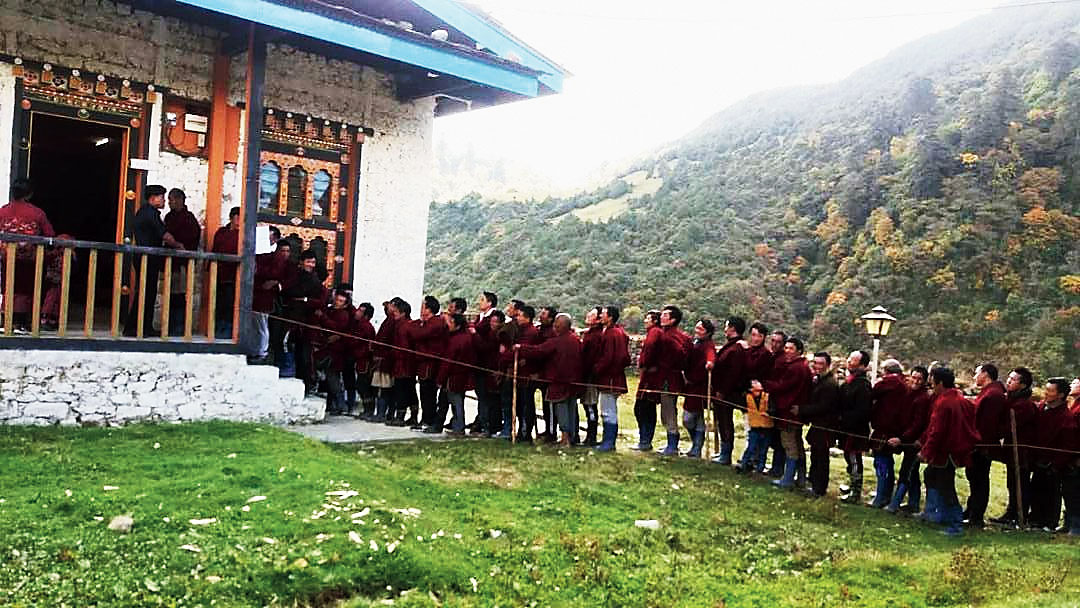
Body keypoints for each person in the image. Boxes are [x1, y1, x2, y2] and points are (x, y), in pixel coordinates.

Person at [918, 366, 980, 536]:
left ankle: (955, 523)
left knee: (946, 487)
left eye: (933, 382)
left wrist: (926, 451)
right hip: (954, 450)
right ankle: (935, 513)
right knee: (930, 475)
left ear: (940, 383)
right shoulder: (961, 399)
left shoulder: (945, 403)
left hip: (945, 453)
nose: (931, 386)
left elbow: (937, 431)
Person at [516, 313, 583, 447]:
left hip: (559, 381)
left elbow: (539, 350)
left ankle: (565, 439)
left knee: (561, 408)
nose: (554, 328)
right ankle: (572, 437)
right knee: (571, 408)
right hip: (574, 381)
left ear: (561, 326)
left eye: (556, 325)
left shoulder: (558, 341)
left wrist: (521, 348)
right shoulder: (576, 340)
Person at [0, 179, 56, 332]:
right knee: (25, 290)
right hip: (29, 259)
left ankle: (5, 322)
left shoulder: (3, 211)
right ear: (29, 194)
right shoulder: (37, 213)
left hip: (7, 257)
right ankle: (20, 323)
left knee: (8, 287)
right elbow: (50, 234)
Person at [124, 185, 179, 337]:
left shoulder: (145, 212)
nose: (164, 201)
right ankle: (137, 328)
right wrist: (178, 245)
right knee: (146, 292)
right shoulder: (150, 213)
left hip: (147, 258)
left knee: (146, 292)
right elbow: (165, 235)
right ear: (153, 198)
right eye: (162, 197)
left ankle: (140, 327)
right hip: (146, 258)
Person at [758, 337, 812, 488]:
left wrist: (764, 384)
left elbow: (783, 387)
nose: (787, 351)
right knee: (797, 444)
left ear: (799, 351)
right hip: (794, 412)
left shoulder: (796, 368)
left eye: (791, 349)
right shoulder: (802, 366)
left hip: (789, 412)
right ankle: (800, 478)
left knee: (789, 445)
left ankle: (788, 478)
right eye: (786, 348)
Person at [988, 367, 1038, 526]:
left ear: (1023, 385)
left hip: (1022, 451)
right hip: (1011, 449)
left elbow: (1008, 426)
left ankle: (1019, 515)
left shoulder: (1024, 405)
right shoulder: (1011, 400)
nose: (1009, 381)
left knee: (1019, 484)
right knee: (1011, 482)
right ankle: (1011, 512)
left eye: (1013, 379)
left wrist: (994, 431)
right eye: (1009, 378)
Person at [885, 366, 933, 514]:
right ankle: (913, 503)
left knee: (907, 471)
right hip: (905, 437)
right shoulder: (907, 393)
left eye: (920, 379)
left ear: (925, 381)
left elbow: (918, 424)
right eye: (914, 377)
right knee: (912, 472)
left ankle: (895, 503)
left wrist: (901, 438)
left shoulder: (923, 398)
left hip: (914, 441)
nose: (916, 381)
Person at [964, 363, 1007, 528]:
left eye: (977, 373)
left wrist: (978, 443)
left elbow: (987, 425)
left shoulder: (993, 395)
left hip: (982, 445)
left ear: (985, 374)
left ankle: (976, 516)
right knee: (974, 479)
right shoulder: (989, 392)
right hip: (979, 443)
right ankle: (971, 511)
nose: (974, 377)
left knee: (979, 480)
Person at [1028, 378, 1072, 531]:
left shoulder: (1066, 417)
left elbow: (1067, 444)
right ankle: (1035, 519)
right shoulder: (1041, 408)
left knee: (1051, 493)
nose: (1046, 393)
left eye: (1050, 391)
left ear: (1060, 395)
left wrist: (1056, 464)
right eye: (1046, 390)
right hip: (1037, 458)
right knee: (1035, 490)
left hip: (1053, 462)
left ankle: (1049, 522)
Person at [279, 250, 326, 392]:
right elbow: (287, 292)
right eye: (308, 262)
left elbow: (320, 302)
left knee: (305, 355)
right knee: (285, 344)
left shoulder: (316, 281)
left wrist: (305, 300)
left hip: (308, 323)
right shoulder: (295, 276)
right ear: (302, 262)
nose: (311, 265)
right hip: (292, 318)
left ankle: (307, 383)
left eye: (313, 262)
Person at [869, 359, 909, 508]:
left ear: (886, 371)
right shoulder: (904, 385)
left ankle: (880, 496)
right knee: (888, 462)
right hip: (897, 429)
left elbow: (873, 393)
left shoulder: (887, 383)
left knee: (881, 463)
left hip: (883, 427)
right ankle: (886, 494)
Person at [801, 352, 841, 497]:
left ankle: (819, 487)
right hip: (818, 424)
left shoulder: (829, 384)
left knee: (821, 457)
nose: (817, 366)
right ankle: (814, 483)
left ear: (827, 365)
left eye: (821, 364)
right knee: (815, 455)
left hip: (825, 425)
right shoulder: (819, 380)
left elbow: (824, 406)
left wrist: (802, 410)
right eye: (815, 363)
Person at [709, 316, 748, 465]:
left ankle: (726, 454)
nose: (725, 329)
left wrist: (722, 391)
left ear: (732, 328)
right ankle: (723, 452)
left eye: (726, 326)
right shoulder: (732, 345)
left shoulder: (737, 348)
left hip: (728, 393)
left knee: (725, 422)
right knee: (722, 421)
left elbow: (733, 373)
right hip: (723, 391)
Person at [163, 188, 201, 336]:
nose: (169, 203)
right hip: (170, 263)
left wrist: (177, 244)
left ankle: (178, 328)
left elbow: (191, 240)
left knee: (180, 295)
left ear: (179, 200)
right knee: (170, 295)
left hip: (182, 264)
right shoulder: (169, 217)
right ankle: (169, 326)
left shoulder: (188, 219)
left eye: (171, 200)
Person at [837, 350, 873, 504]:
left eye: (853, 360)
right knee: (848, 457)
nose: (849, 362)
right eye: (849, 359)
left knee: (854, 459)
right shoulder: (849, 381)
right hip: (845, 428)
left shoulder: (863, 385)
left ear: (863, 365)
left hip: (855, 430)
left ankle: (856, 491)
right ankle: (851, 484)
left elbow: (862, 411)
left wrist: (844, 419)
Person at [593, 305, 630, 452]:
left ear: (610, 317)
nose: (600, 316)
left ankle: (609, 442)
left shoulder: (611, 334)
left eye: (603, 314)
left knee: (608, 411)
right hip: (613, 376)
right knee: (609, 409)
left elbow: (608, 357)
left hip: (610, 378)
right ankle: (607, 440)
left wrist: (597, 369)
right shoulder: (617, 332)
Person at [434, 313, 476, 436]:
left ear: (457, 326)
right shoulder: (466, 337)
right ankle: (454, 426)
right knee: (454, 402)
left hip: (454, 377)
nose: (449, 325)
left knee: (456, 402)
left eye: (451, 323)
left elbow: (447, 362)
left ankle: (459, 427)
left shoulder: (457, 341)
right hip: (462, 375)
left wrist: (440, 379)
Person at [656, 305, 690, 456]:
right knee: (669, 410)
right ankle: (671, 443)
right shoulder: (682, 336)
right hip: (674, 378)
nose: (661, 317)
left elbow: (680, 353)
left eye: (665, 315)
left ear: (673, 320)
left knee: (668, 411)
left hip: (668, 379)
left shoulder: (668, 337)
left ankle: (672, 445)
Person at [250, 230, 288, 363]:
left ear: (274, 240)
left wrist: (258, 271)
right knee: (254, 325)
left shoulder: (276, 257)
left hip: (264, 296)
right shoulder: (260, 253)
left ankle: (262, 351)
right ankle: (254, 350)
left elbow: (274, 273)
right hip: (255, 293)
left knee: (261, 324)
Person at [314, 290, 353, 414]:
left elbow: (336, 328)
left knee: (333, 378)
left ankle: (341, 405)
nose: (337, 302)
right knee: (330, 379)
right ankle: (333, 405)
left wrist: (323, 317)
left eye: (341, 301)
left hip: (335, 352)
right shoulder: (329, 310)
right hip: (325, 348)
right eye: (337, 299)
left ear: (345, 304)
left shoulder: (343, 315)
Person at [682, 319, 716, 459]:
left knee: (689, 418)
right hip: (690, 385)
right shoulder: (696, 342)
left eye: (700, 329)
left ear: (708, 332)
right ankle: (696, 447)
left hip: (700, 386)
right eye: (696, 328)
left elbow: (711, 355)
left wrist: (710, 363)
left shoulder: (708, 345)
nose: (697, 331)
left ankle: (697, 447)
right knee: (697, 418)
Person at [413, 295, 448, 432]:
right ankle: (425, 418)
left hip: (430, 363)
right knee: (424, 392)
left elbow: (418, 335)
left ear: (429, 309)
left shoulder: (435, 323)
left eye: (423, 307)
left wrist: (419, 325)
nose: (421, 310)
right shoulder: (429, 322)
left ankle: (429, 419)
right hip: (424, 362)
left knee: (429, 393)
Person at [631, 310, 663, 451]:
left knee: (643, 408)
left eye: (648, 318)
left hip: (650, 377)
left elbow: (649, 350)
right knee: (644, 408)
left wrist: (643, 364)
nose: (645, 321)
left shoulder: (655, 332)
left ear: (655, 321)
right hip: (649, 375)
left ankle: (645, 440)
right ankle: (644, 439)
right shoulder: (654, 332)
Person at [467, 291, 499, 433]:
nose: (479, 302)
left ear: (489, 303)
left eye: (482, 300)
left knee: (486, 395)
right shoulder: (480, 317)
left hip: (486, 361)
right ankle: (480, 419)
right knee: (480, 393)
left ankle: (485, 422)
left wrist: (474, 333)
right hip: (477, 360)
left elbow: (487, 343)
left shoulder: (491, 319)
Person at [210, 207, 241, 339]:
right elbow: (215, 249)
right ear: (231, 218)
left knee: (230, 304)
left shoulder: (243, 234)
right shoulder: (221, 232)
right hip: (219, 273)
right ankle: (215, 329)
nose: (240, 221)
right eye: (238, 217)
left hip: (234, 275)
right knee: (218, 303)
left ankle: (228, 330)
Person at [579, 307, 604, 447]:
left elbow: (590, 357)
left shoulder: (596, 336)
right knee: (587, 404)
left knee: (590, 405)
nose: (588, 315)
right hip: (586, 375)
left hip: (590, 376)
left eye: (592, 314)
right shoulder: (590, 333)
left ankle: (592, 436)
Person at [735, 380, 772, 474]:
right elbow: (741, 405)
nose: (758, 384)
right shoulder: (746, 397)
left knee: (763, 450)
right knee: (751, 448)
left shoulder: (767, 396)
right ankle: (743, 465)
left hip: (766, 427)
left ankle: (760, 469)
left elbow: (773, 408)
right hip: (754, 427)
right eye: (754, 384)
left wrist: (769, 412)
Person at [535, 305, 559, 442]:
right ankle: (548, 430)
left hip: (547, 374)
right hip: (541, 373)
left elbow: (542, 352)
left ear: (550, 319)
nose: (540, 316)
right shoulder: (541, 330)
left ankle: (551, 432)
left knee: (550, 405)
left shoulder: (551, 334)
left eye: (544, 314)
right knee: (545, 404)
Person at [351, 302, 377, 420]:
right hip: (360, 359)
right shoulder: (358, 325)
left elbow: (359, 342)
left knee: (364, 385)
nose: (357, 312)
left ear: (366, 315)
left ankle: (369, 410)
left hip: (365, 360)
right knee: (361, 385)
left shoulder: (366, 326)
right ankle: (367, 410)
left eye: (361, 311)